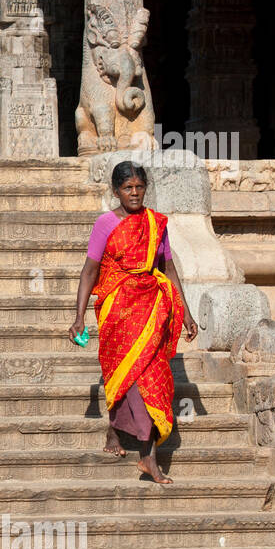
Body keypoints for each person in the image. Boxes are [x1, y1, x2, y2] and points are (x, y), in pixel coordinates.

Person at [68, 161, 199, 483]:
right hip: (118, 309)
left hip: (153, 307)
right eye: (128, 188)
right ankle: (132, 444)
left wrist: (187, 313)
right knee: (124, 373)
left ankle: (137, 447)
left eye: (140, 187)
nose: (135, 193)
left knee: (152, 378)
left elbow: (168, 268)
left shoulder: (156, 223)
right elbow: (90, 271)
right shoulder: (106, 223)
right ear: (116, 191)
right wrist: (78, 317)